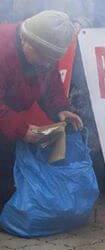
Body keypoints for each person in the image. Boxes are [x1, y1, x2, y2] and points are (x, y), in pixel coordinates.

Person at [0, 10, 82, 207]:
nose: (47, 64)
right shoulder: (2, 49)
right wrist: (21, 129)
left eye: (51, 60)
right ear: (25, 39)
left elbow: (50, 81)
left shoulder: (42, 52)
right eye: (43, 57)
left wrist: (60, 108)